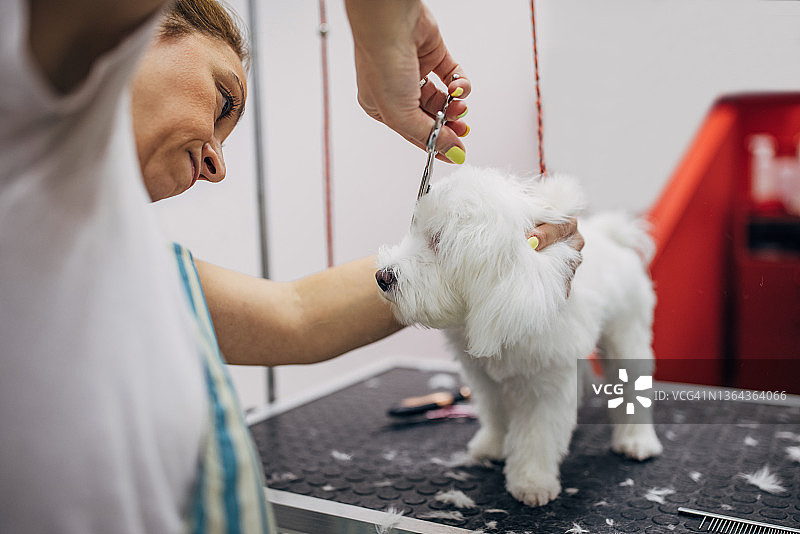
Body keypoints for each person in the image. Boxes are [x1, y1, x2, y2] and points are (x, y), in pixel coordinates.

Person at [0, 1, 580, 533]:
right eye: (224, 99)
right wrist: (383, 29)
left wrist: (478, 267)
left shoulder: (141, 268)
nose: (216, 166)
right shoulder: (20, 147)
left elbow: (296, 315)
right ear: (133, 36)